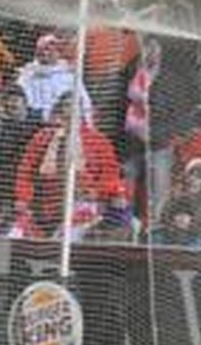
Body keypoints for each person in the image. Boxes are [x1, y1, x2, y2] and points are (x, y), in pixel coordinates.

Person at [12, 97, 130, 240]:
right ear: (61, 110)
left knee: (68, 240)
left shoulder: (98, 141)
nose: (71, 110)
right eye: (67, 106)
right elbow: (26, 171)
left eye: (75, 106)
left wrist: (101, 192)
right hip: (43, 206)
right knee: (14, 237)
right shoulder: (43, 137)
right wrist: (23, 198)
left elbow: (110, 175)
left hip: (82, 204)